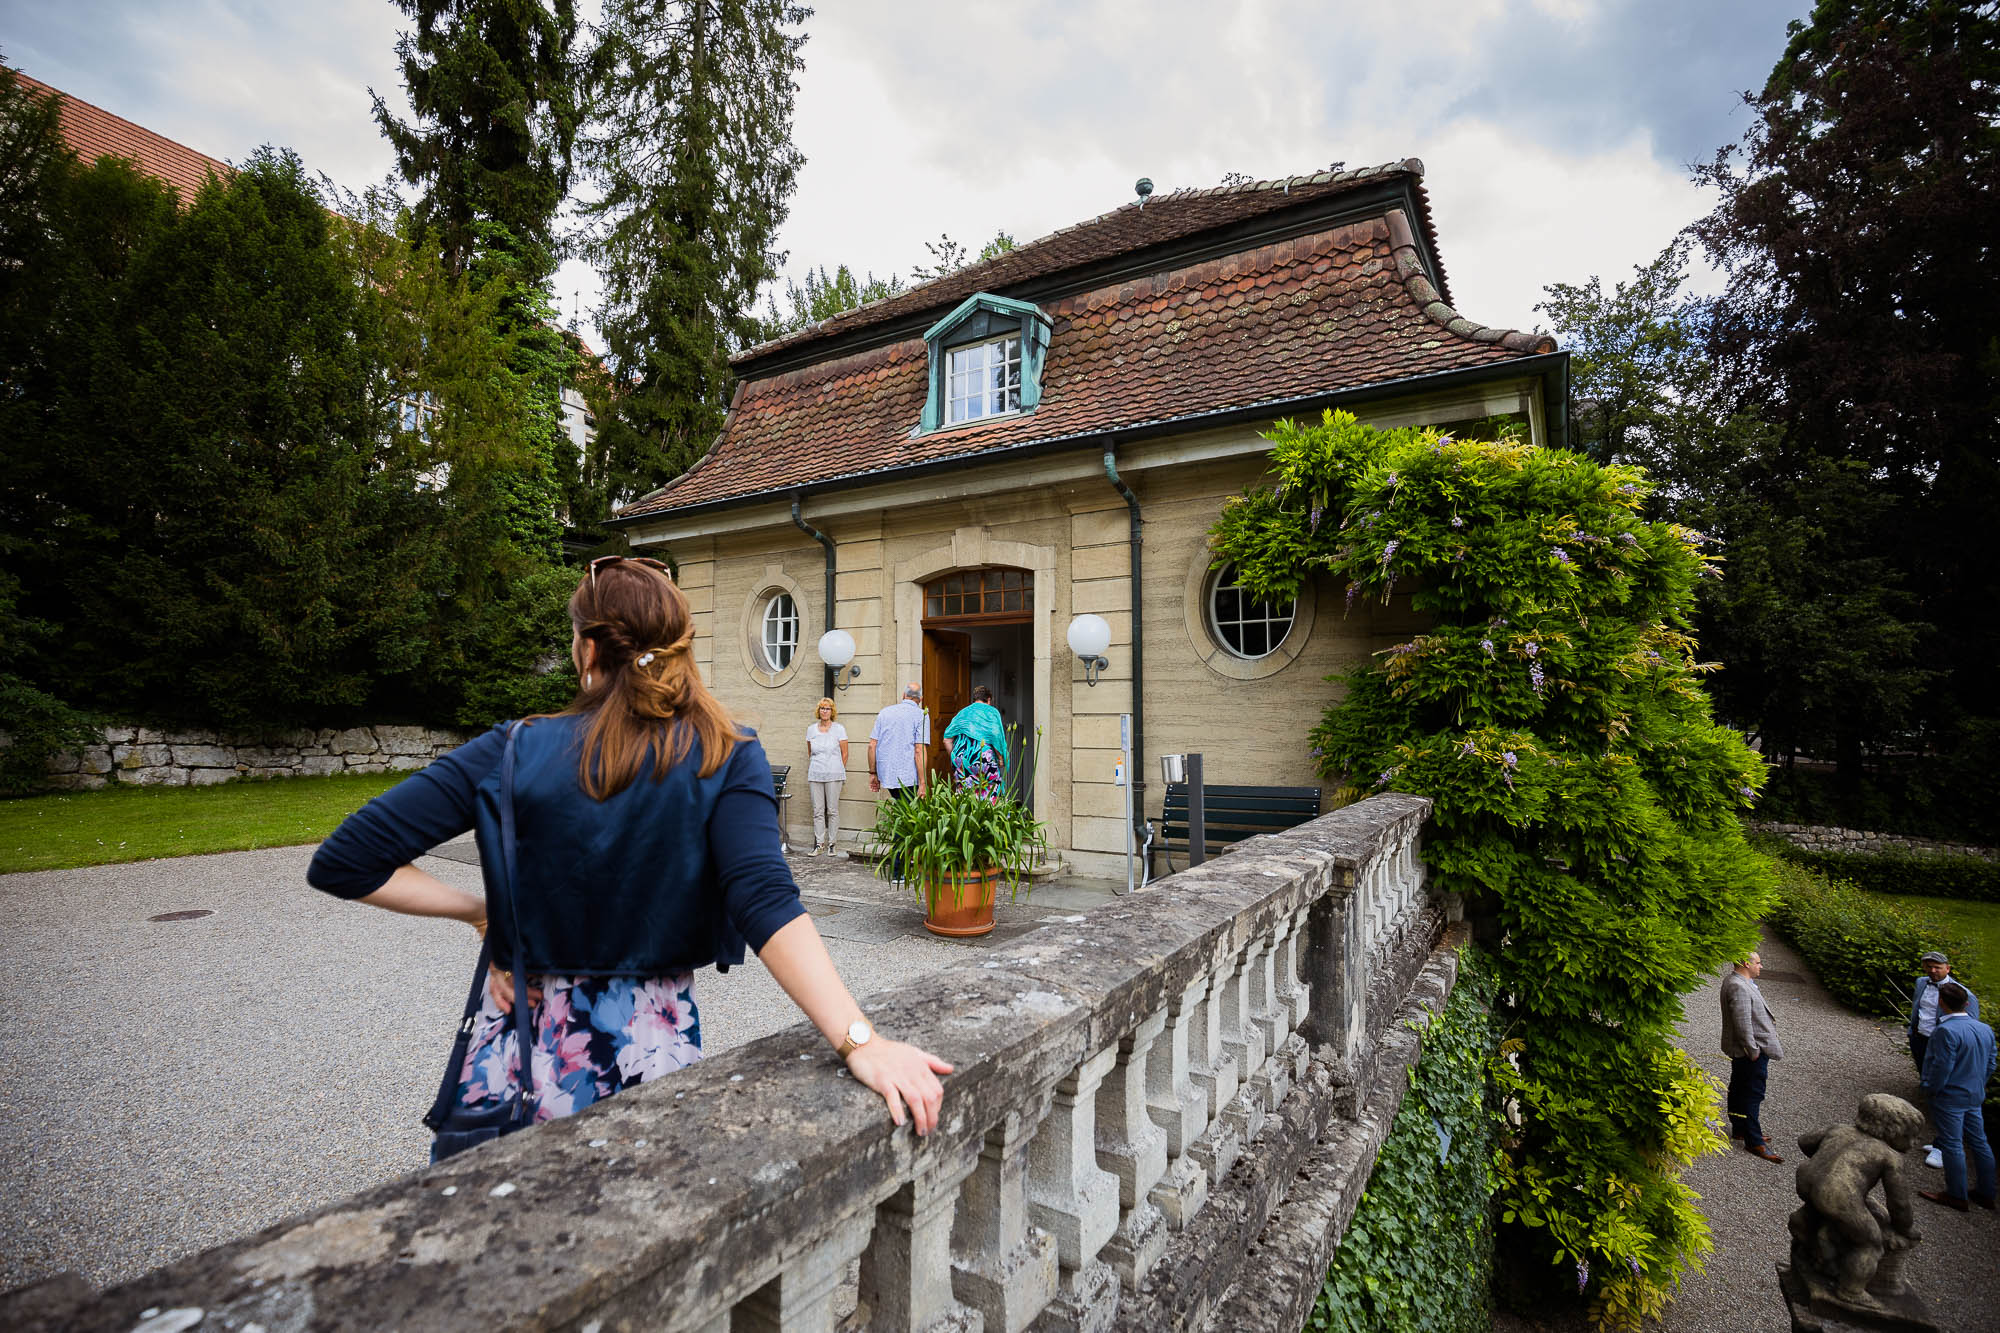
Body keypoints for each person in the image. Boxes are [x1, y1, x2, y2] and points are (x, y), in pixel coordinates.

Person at [307, 556, 950, 1146]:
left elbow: (347, 859)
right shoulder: (728, 753)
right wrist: (859, 1040)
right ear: (682, 646)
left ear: (588, 650)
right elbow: (764, 900)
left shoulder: (513, 748)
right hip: (653, 1054)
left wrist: (480, 912)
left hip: (524, 1068)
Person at [1917, 981, 1997, 1212]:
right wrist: (1978, 1084)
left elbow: (1942, 1067)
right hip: (1974, 1094)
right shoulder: (1985, 1029)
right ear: (1967, 1003)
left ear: (1941, 1003)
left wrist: (1931, 1089)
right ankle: (1986, 1192)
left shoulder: (1945, 1031)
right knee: (1980, 1142)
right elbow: (1991, 1063)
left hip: (1950, 1096)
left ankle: (1956, 1194)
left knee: (1952, 1144)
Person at [1910, 949, 1980, 1167]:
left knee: (1945, 1096)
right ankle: (1941, 1140)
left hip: (1944, 1048)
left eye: (1937, 967)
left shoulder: (1963, 995)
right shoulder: (1921, 983)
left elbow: (1969, 1028)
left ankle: (1944, 1146)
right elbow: (1918, 1008)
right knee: (1931, 1091)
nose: (1933, 970)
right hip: (1921, 1042)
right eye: (1929, 966)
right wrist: (1912, 1033)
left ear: (1947, 968)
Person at [1721, 950, 1785, 1163]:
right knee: (1752, 1094)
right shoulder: (1738, 986)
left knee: (1739, 1088)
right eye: (1758, 962)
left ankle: (1741, 1129)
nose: (1761, 966)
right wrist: (1753, 1051)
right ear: (1746, 964)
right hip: (1750, 1052)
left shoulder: (1737, 982)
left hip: (1746, 1051)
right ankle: (1754, 1140)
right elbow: (1742, 1024)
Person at [868, 683, 929, 883]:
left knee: (905, 818)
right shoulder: (921, 715)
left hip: (889, 775)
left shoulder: (885, 712)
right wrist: (923, 782)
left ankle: (908, 863)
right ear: (920, 699)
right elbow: (919, 750)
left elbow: (872, 745)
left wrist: (873, 773)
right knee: (905, 822)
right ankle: (897, 871)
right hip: (908, 777)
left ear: (903, 695)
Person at [943, 684, 1009, 802]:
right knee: (991, 790)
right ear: (989, 700)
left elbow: (946, 739)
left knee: (964, 792)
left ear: (975, 699)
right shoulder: (991, 712)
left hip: (961, 757)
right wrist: (1000, 758)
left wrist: (955, 757)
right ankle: (988, 812)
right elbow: (995, 735)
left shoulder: (963, 713)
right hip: (982, 756)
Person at [804, 696, 849, 855]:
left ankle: (832, 844)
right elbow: (810, 752)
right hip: (815, 773)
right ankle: (819, 844)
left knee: (832, 810)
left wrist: (838, 769)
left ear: (832, 711)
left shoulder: (839, 729)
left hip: (834, 774)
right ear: (819, 711)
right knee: (817, 810)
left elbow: (845, 753)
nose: (825, 711)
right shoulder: (811, 729)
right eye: (822, 708)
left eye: (828, 708)